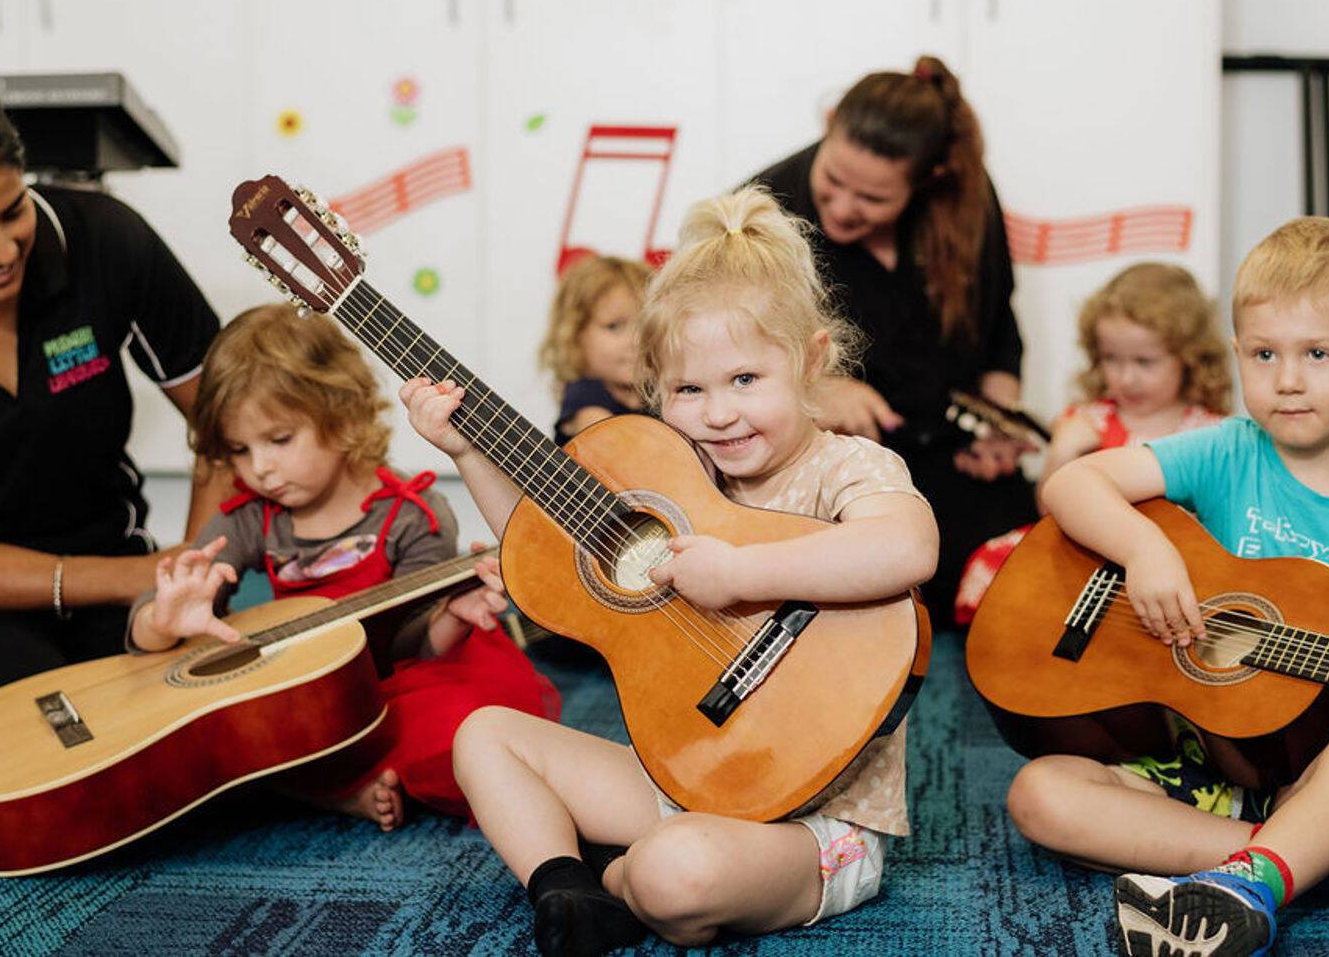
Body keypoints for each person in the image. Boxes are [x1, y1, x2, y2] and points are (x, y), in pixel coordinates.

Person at [401, 186, 938, 954]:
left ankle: (622, 883)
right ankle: (567, 886)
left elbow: (906, 549)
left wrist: (740, 572)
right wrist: (465, 451)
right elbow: (544, 552)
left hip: (817, 825)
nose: (718, 413)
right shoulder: (670, 475)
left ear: (812, 360)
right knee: (483, 734)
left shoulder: (847, 466)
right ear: (656, 387)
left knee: (675, 873)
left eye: (746, 380)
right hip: (681, 776)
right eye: (689, 389)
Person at [1006, 218, 1329, 955]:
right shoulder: (1226, 451)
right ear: (1238, 351)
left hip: (1310, 772)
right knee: (1038, 793)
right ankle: (1309, 854)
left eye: (1317, 353)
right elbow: (1073, 483)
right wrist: (1146, 549)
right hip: (1188, 757)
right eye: (1265, 352)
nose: (1288, 378)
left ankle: (1254, 884)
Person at [0, 66, 226, 777]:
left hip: (110, 562)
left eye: (11, 211)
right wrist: (131, 579)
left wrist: (194, 568)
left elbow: (228, 422)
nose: (2, 250)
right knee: (34, 710)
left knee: (185, 677)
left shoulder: (105, 239)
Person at [127, 304, 560, 828]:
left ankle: (325, 786)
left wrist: (452, 616)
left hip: (404, 675)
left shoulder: (411, 516)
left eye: (279, 440)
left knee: (465, 731)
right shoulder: (245, 519)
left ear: (343, 414)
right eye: (240, 450)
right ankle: (333, 788)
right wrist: (161, 620)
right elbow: (152, 625)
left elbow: (415, 645)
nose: (259, 468)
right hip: (308, 690)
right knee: (210, 738)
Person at [750, 55, 1033, 622]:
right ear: (828, 127)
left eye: (872, 199)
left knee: (1022, 588)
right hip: (825, 464)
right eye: (832, 180)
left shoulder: (967, 199)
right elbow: (720, 355)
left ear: (927, 181)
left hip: (947, 452)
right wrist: (816, 388)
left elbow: (999, 324)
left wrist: (998, 421)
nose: (841, 207)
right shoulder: (765, 207)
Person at [953, 262, 1230, 623]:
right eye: (1111, 359)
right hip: (1086, 559)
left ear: (1190, 359)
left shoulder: (1212, 434)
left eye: (1145, 362)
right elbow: (1047, 511)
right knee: (1000, 562)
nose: (1126, 377)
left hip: (1173, 567)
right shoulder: (1089, 420)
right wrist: (1063, 451)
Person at [540, 254, 652, 447]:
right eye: (614, 327)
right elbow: (613, 452)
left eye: (646, 326)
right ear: (574, 335)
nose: (636, 340)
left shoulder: (655, 394)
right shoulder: (586, 395)